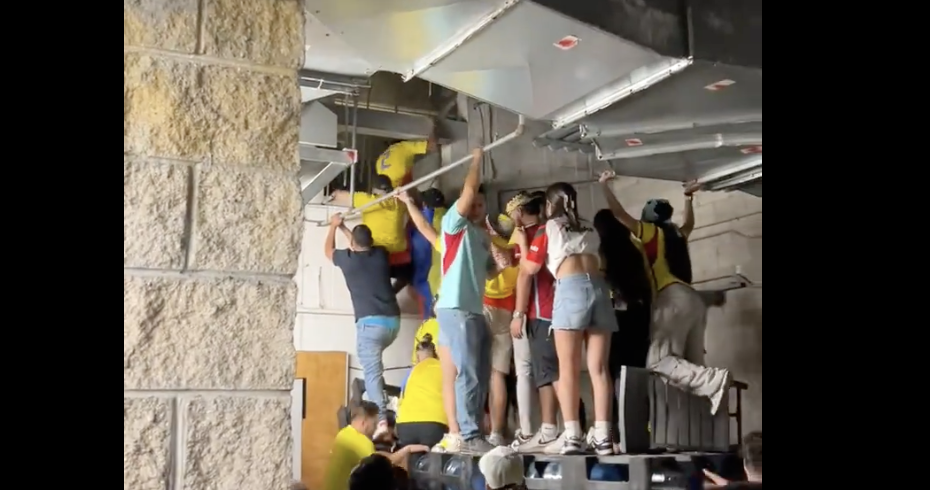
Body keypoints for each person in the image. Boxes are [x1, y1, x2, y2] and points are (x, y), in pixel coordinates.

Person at [598, 170, 731, 414]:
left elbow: (619, 215)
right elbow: (690, 223)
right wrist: (688, 198)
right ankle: (699, 418)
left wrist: (604, 186)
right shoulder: (678, 234)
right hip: (693, 300)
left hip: (671, 298)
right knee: (690, 365)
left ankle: (714, 380)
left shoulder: (651, 233)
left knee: (658, 361)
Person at [399, 147, 493, 454]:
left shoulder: (480, 236)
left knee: (478, 373)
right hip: (456, 310)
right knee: (467, 373)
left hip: (474, 310)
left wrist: (408, 203)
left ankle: (470, 431)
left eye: (480, 203)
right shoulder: (454, 223)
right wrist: (476, 158)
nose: (475, 206)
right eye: (473, 202)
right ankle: (468, 433)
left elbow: (426, 230)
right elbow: (466, 192)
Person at [512, 183, 617, 455]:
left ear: (549, 205)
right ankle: (603, 437)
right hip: (600, 290)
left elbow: (531, 267)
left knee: (567, 369)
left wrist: (523, 243)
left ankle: (572, 436)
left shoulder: (549, 227)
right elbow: (602, 262)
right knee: (600, 369)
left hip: (570, 290)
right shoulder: (589, 226)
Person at [325, 214, 401, 436]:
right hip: (392, 324)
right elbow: (359, 245)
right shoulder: (380, 255)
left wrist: (333, 227)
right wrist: (343, 228)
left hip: (371, 326)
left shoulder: (347, 260)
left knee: (372, 373)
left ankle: (382, 420)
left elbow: (328, 251)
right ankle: (384, 404)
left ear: (352, 245)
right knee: (374, 371)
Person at [505, 191, 560, 453]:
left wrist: (518, 314)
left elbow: (526, 274)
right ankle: (544, 430)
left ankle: (537, 431)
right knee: (541, 372)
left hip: (538, 311)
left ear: (518, 212)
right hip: (542, 311)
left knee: (538, 372)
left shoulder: (536, 233)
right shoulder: (544, 230)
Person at [330, 175, 413, 294]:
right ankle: (391, 293)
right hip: (399, 257)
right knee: (406, 274)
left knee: (362, 250)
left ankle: (383, 294)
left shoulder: (368, 201)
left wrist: (335, 193)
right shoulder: (399, 202)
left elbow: (337, 196)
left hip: (375, 255)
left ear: (374, 190)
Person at [323, 402, 429, 490]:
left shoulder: (343, 434)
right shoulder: (363, 441)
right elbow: (385, 464)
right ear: (364, 423)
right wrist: (408, 449)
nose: (375, 430)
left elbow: (373, 454)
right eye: (374, 425)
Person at [483, 213, 520, 446]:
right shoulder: (517, 248)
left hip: (484, 305)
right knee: (498, 374)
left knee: (476, 372)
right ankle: (497, 432)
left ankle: (474, 431)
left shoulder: (486, 244)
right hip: (508, 311)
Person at [396, 334, 448, 449]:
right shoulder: (444, 368)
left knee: (410, 460)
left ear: (418, 357)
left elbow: (401, 399)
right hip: (434, 425)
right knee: (434, 460)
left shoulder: (411, 372)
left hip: (405, 425)